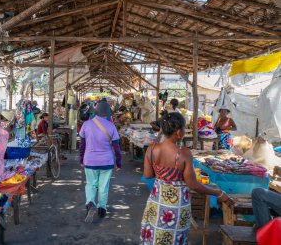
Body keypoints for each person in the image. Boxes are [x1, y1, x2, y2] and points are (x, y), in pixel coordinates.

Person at [140, 111, 233, 244]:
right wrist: (218, 192)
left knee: (156, 237)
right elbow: (193, 185)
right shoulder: (183, 153)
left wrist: (163, 175)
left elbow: (148, 175)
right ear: (178, 132)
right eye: (183, 129)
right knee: (174, 239)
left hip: (157, 202)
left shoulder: (152, 148)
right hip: (176, 207)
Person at [80, 100, 122, 222]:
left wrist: (81, 159)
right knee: (103, 186)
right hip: (106, 161)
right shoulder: (111, 126)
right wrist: (118, 163)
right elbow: (116, 147)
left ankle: (90, 203)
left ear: (96, 111)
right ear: (108, 113)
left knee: (91, 184)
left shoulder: (86, 125)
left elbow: (82, 145)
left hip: (90, 160)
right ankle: (102, 209)